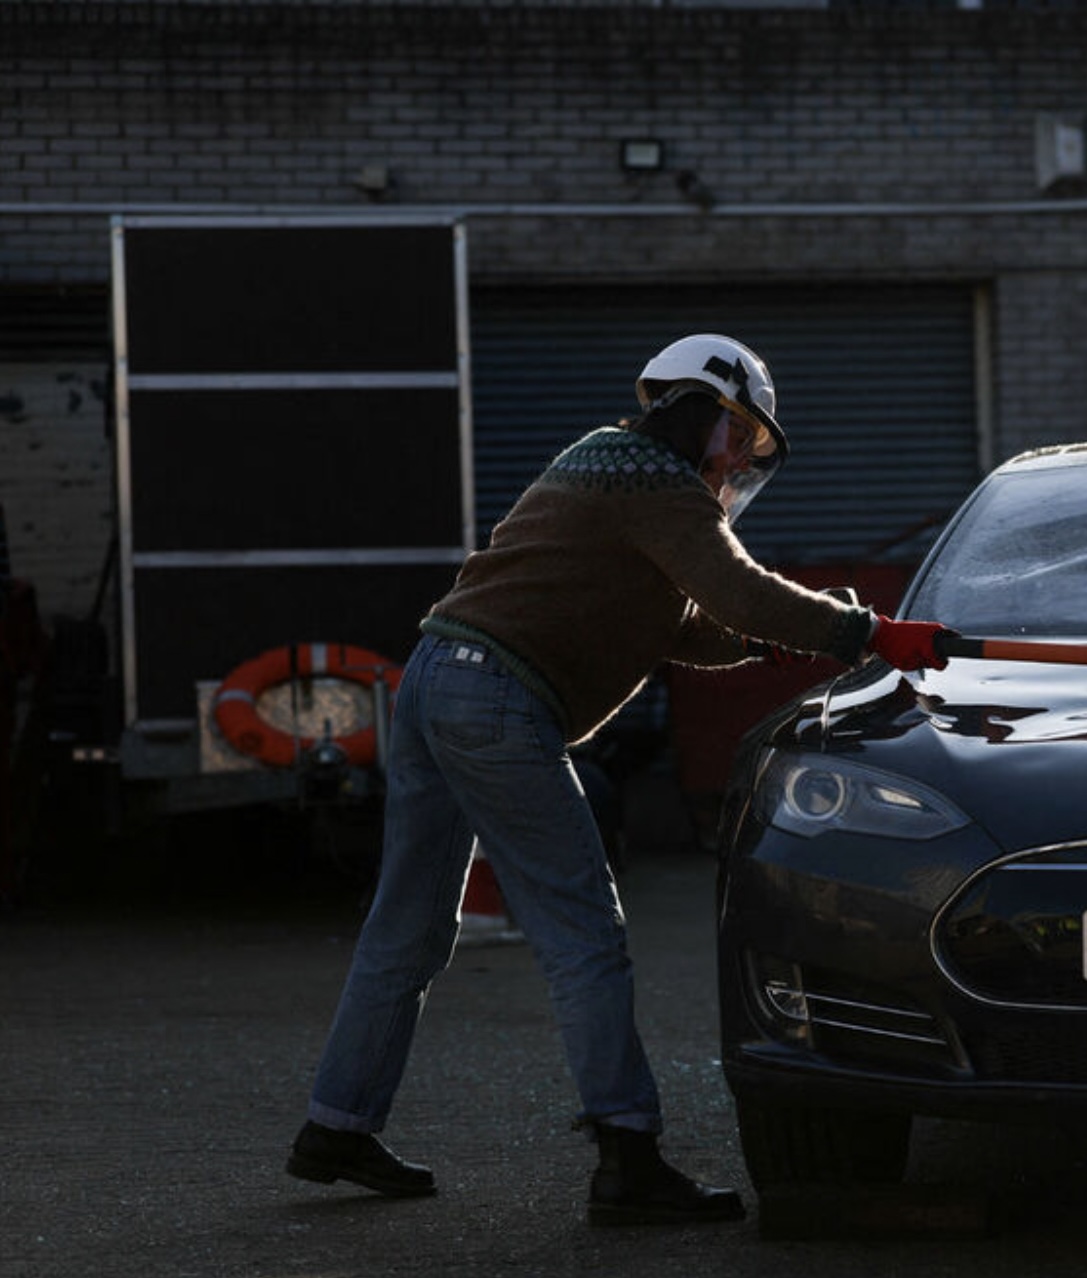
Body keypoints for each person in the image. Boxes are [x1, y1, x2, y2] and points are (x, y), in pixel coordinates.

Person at [286, 333, 954, 1226]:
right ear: (706, 413)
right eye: (739, 437)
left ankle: (336, 1126)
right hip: (496, 700)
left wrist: (772, 641)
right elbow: (738, 592)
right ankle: (628, 1154)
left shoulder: (605, 461)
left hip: (437, 679)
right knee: (585, 931)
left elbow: (679, 625)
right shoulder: (659, 484)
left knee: (406, 927)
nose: (737, 461)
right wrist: (865, 632)